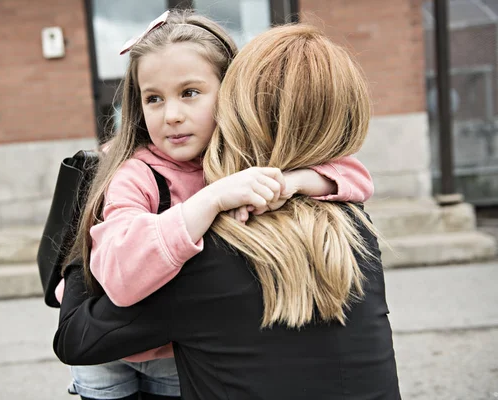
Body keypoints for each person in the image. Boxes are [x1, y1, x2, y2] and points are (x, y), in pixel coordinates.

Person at [54, 22, 400, 400]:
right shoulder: (136, 173)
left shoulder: (240, 157)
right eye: (153, 99)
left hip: (171, 347)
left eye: (190, 93)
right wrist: (210, 200)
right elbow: (119, 278)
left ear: (230, 94)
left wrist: (293, 182)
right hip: (118, 350)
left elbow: (353, 176)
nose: (171, 114)